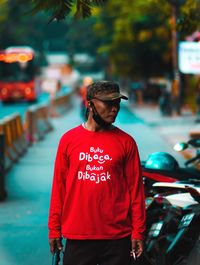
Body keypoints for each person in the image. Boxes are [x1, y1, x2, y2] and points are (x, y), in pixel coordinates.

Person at [48, 81, 146, 265]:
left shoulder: (126, 142)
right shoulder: (69, 140)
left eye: (117, 103)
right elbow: (59, 188)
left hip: (117, 237)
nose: (115, 108)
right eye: (108, 103)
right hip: (78, 236)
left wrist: (138, 232)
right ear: (90, 104)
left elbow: (136, 192)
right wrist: (54, 229)